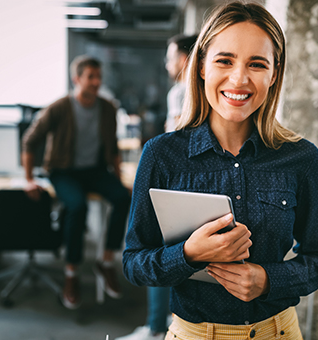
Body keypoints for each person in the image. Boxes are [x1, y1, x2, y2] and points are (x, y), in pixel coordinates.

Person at [122, 2, 318, 339]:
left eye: (257, 64)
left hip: (277, 332)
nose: (239, 78)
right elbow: (134, 263)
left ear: (273, 74)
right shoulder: (161, 154)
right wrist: (188, 254)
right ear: (202, 65)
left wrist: (268, 280)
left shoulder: (301, 158)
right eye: (225, 60)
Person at [22, 55, 131, 310]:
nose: (96, 82)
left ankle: (105, 262)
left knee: (123, 197)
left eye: (98, 77)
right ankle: (71, 273)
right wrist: (28, 179)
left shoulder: (107, 108)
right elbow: (30, 141)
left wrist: (117, 179)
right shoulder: (59, 107)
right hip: (63, 171)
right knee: (77, 206)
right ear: (77, 79)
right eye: (91, 77)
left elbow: (113, 147)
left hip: (94, 170)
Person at [116, 33, 198, 340]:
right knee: (182, 254)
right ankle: (166, 323)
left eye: (170, 56)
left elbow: (176, 138)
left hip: (175, 181)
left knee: (156, 249)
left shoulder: (181, 92)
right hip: (187, 181)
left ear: (185, 59)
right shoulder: (202, 91)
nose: (167, 63)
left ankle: (155, 328)